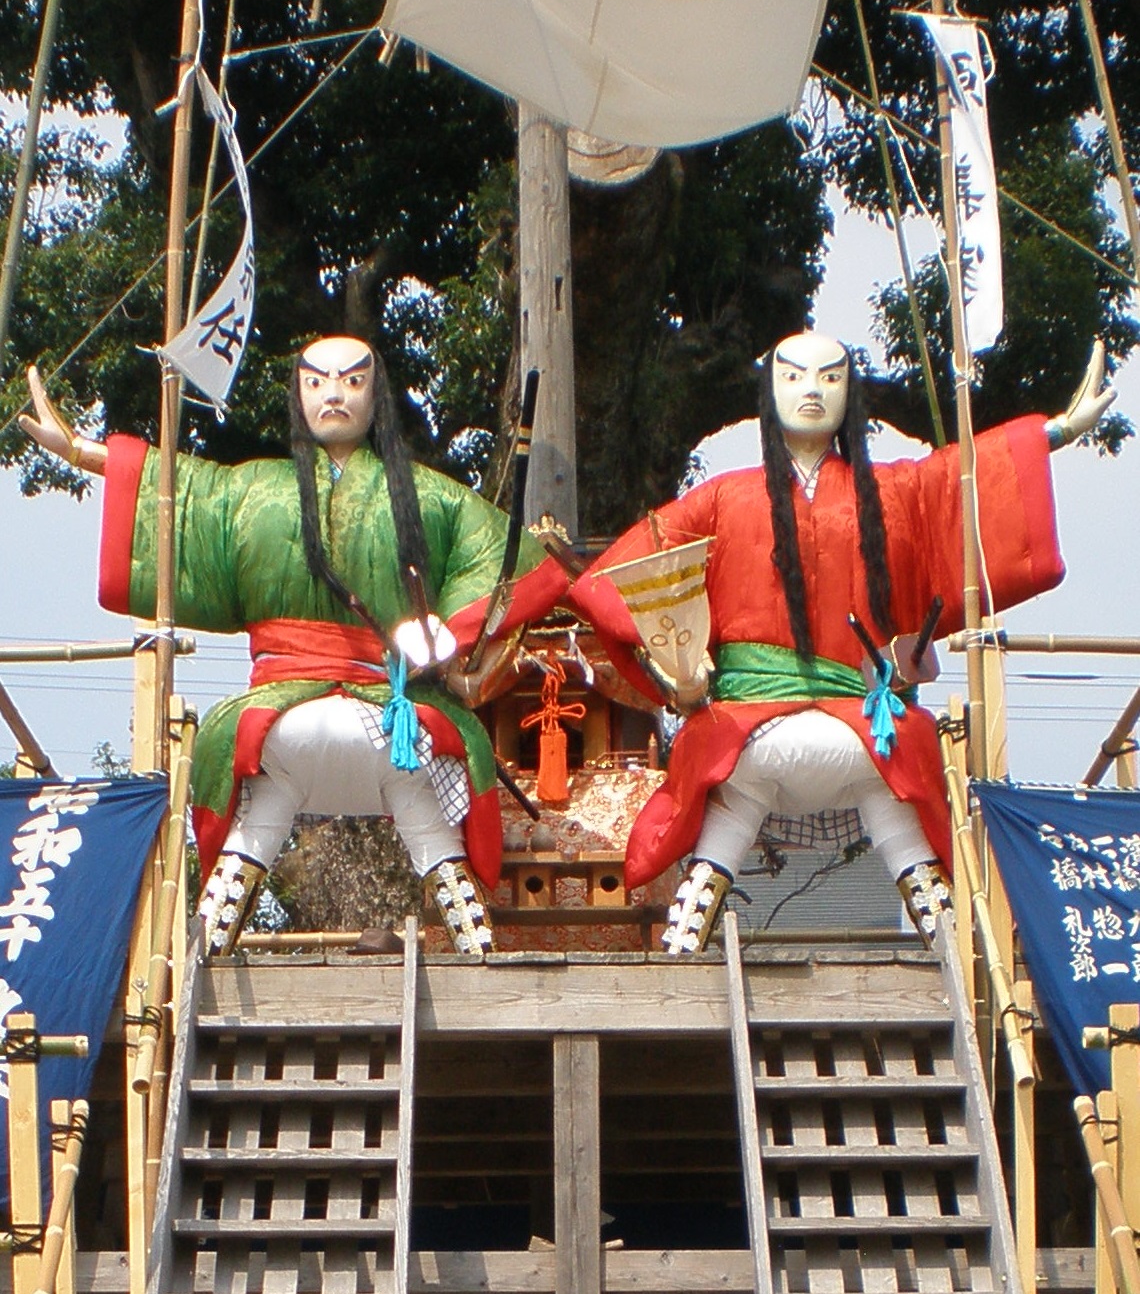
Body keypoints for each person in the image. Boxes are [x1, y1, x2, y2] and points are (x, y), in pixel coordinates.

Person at [20, 337, 565, 956]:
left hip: (299, 719)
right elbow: (510, 556)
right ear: (298, 394)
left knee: (258, 824)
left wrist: (445, 632)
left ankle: (213, 939)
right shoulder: (394, 493)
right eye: (317, 382)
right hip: (388, 725)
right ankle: (476, 943)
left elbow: (176, 491)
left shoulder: (278, 491)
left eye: (352, 381)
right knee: (425, 814)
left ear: (374, 394)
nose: (334, 394)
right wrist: (86, 452)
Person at [570, 331, 1114, 952]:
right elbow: (623, 582)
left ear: (849, 393)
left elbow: (959, 477)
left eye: (830, 377)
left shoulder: (887, 490)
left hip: (805, 724)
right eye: (794, 376)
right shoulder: (727, 497)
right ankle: (940, 930)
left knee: (743, 801)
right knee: (891, 791)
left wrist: (1057, 431)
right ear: (768, 392)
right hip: (818, 727)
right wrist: (676, 676)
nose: (810, 391)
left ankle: (703, 927)